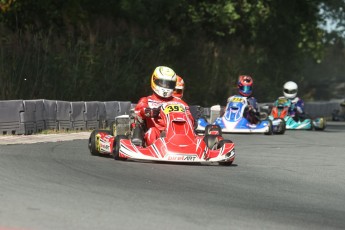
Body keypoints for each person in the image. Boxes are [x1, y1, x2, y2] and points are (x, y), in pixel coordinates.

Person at [134, 66, 194, 146]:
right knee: (152, 131)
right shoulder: (147, 100)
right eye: (162, 83)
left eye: (169, 84)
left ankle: (189, 145)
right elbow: (140, 109)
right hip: (156, 134)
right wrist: (148, 112)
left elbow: (190, 118)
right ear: (154, 80)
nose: (166, 87)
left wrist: (189, 118)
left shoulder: (179, 102)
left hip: (177, 134)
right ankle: (144, 143)